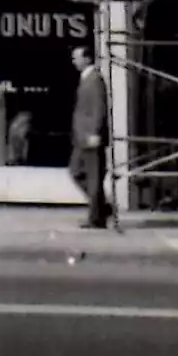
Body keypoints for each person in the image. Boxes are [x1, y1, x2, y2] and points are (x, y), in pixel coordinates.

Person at [69, 45, 111, 229]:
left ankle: (96, 217)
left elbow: (98, 108)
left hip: (90, 137)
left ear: (87, 58)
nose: (74, 61)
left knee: (94, 178)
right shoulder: (86, 78)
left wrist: (95, 132)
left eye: (76, 58)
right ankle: (101, 207)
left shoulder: (95, 79)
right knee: (76, 171)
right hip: (81, 137)